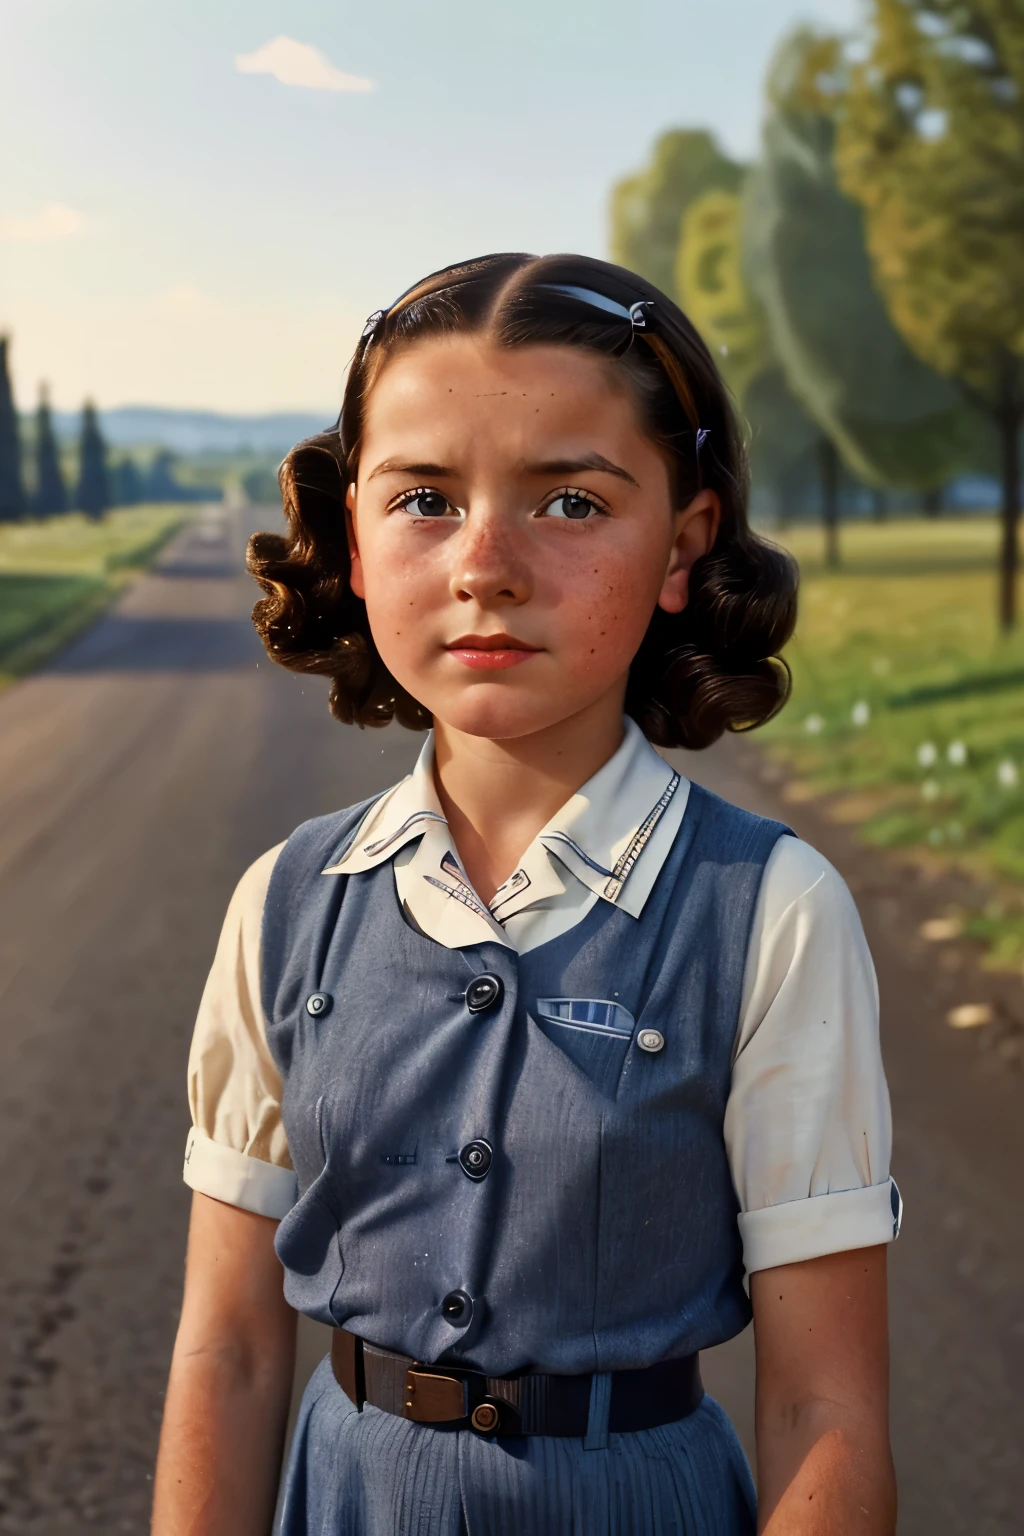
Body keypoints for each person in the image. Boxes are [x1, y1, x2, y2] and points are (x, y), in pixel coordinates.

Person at [152, 253, 900, 1535]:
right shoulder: (281, 902)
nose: (486, 564)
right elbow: (225, 1354)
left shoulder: (771, 910)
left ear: (684, 543)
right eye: (427, 498)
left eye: (568, 505)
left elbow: (823, 1409)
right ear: (353, 539)